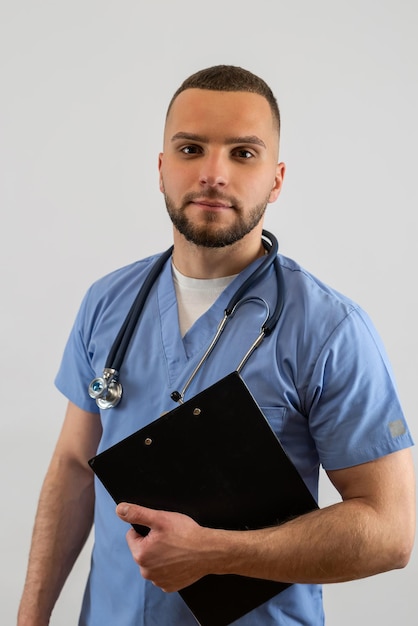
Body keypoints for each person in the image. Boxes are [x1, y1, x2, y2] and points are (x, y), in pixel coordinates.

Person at [18, 65, 415, 626]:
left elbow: (391, 533)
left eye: (243, 154)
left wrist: (216, 553)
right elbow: (73, 467)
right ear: (161, 169)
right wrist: (30, 618)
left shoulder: (330, 331)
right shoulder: (107, 303)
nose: (212, 173)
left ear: (276, 180)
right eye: (190, 148)